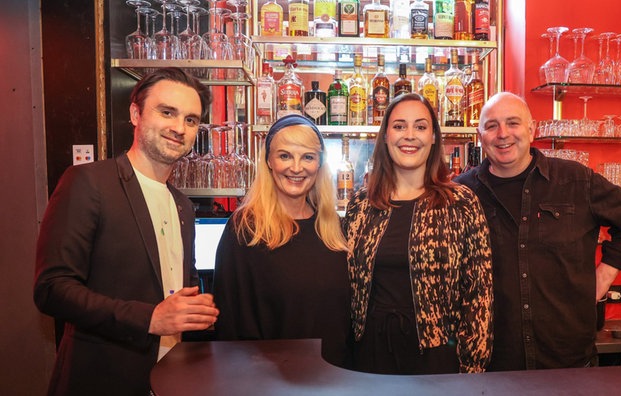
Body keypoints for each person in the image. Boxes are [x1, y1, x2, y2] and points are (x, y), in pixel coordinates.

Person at [34, 68, 219, 395]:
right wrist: (150, 318)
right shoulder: (89, 183)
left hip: (170, 380)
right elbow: (52, 288)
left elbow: (177, 292)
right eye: (167, 112)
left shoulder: (182, 205)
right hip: (102, 380)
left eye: (191, 120)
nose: (179, 128)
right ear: (136, 113)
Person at [455, 92, 621, 371]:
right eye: (491, 126)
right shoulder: (461, 193)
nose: (503, 134)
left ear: (531, 129)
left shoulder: (575, 180)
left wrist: (604, 276)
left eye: (513, 123)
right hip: (492, 363)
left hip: (568, 358)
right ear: (480, 135)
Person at [344, 93, 493, 374]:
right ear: (386, 136)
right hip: (370, 353)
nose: (409, 135)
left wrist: (472, 371)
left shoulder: (461, 203)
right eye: (399, 126)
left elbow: (479, 295)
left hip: (437, 356)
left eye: (420, 127)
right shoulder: (361, 204)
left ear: (434, 137)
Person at [213, 114, 351, 367]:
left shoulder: (333, 229)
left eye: (307, 157)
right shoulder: (246, 229)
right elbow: (230, 324)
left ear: (319, 164)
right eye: (285, 155)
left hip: (335, 378)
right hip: (270, 382)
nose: (296, 168)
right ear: (269, 161)